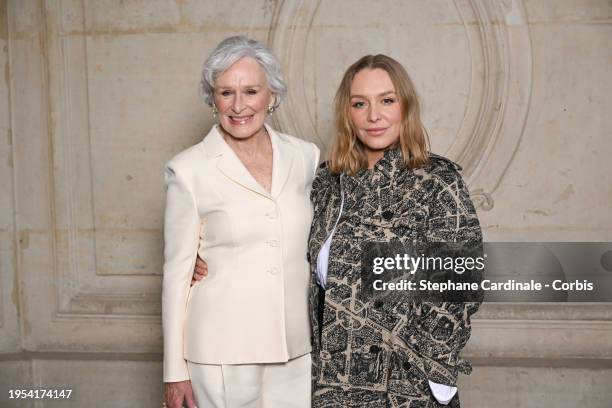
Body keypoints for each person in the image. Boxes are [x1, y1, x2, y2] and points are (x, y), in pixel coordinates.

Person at [306, 54, 483, 407]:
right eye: (360, 103)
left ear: (405, 107)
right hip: (330, 386)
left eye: (387, 100)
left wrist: (430, 370)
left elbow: (460, 286)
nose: (374, 115)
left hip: (404, 389)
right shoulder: (326, 183)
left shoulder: (437, 181)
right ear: (347, 112)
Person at [162, 35, 319, 408]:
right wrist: (174, 371)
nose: (238, 105)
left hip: (295, 347)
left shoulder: (306, 157)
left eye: (250, 91)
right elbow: (176, 274)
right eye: (225, 92)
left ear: (272, 95)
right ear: (212, 99)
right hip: (220, 350)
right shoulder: (188, 169)